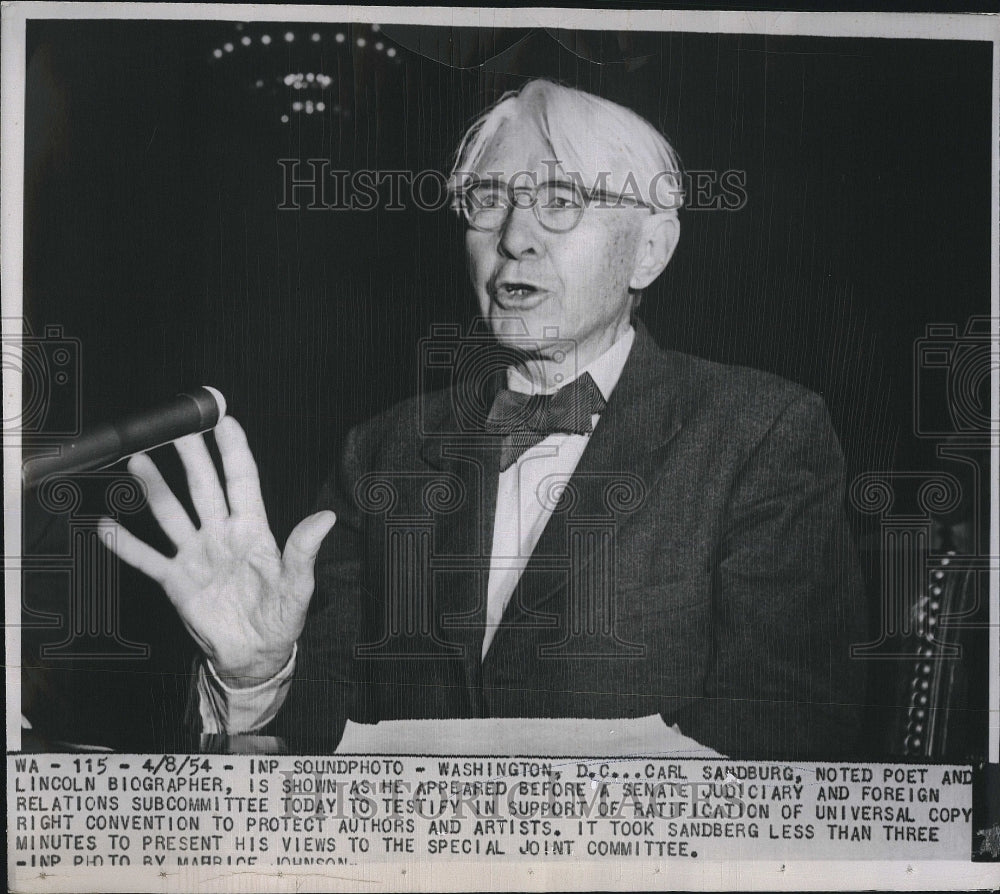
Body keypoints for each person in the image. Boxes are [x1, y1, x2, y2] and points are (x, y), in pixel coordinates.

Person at [101, 79, 867, 759]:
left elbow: (783, 736)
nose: (514, 237)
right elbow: (312, 746)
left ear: (650, 251)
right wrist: (257, 673)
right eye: (488, 202)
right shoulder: (385, 451)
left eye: (562, 201)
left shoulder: (762, 432)